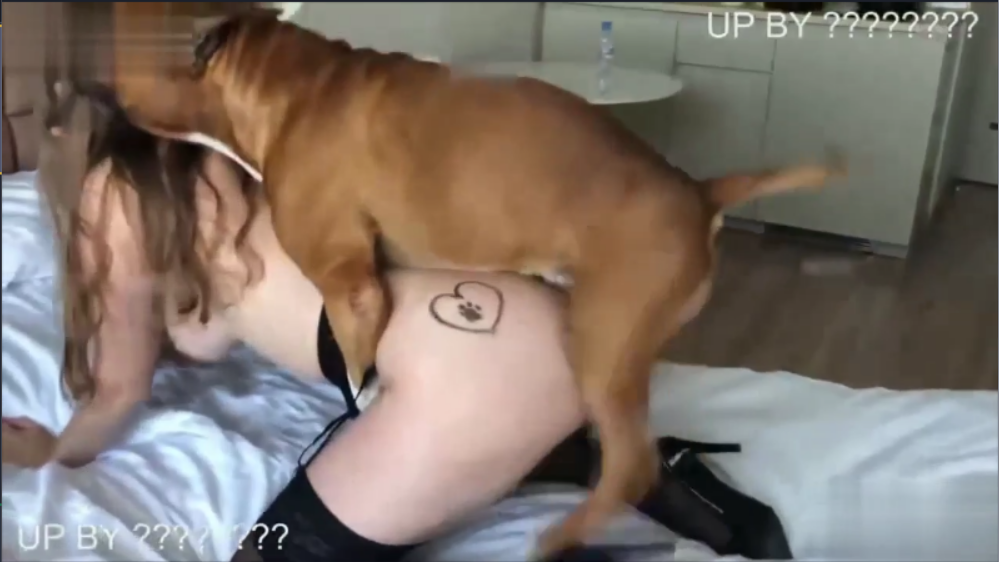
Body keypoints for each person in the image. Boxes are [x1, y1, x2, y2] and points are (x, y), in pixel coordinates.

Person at [2, 82, 793, 562]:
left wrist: (56, 451)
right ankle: (657, 479)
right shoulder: (249, 144)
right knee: (489, 418)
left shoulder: (112, 194)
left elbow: (119, 387)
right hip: (552, 322)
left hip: (484, 372)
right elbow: (215, 328)